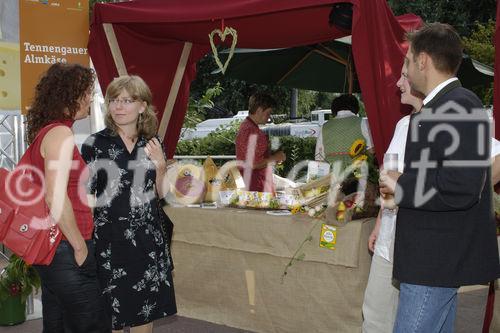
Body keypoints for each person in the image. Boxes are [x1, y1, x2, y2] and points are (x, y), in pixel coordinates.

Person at [379, 23, 499, 332]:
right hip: (431, 261)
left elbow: (462, 187)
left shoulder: (458, 105)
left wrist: (400, 184)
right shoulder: (442, 107)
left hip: (434, 263)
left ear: (422, 61)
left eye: (407, 62)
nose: (405, 70)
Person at [81, 75, 176, 332]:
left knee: (145, 310)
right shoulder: (94, 144)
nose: (118, 107)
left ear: (142, 106)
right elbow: (85, 195)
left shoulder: (153, 143)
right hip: (109, 239)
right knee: (111, 312)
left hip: (147, 238)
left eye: (127, 100)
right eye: (114, 100)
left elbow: (162, 194)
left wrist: (161, 167)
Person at [25, 63, 109, 332]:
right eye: (86, 92)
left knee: (57, 324)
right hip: (66, 247)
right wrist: (80, 247)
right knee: (92, 324)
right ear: (68, 95)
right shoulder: (60, 134)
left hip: (52, 248)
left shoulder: (48, 132)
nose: (90, 98)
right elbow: (55, 197)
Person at [235, 92, 286, 192]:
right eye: (268, 113)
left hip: (250, 184)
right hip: (256, 187)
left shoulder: (246, 127)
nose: (269, 117)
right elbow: (252, 164)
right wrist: (276, 157)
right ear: (259, 110)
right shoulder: (252, 132)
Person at [315, 94, 373, 168]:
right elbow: (371, 150)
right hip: (357, 172)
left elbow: (319, 158)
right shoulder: (363, 122)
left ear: (334, 109)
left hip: (332, 174)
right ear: (356, 107)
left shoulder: (324, 127)